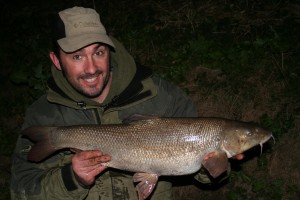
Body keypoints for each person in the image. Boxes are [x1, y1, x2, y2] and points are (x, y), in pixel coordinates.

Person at [10, 6, 242, 200]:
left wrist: (211, 164)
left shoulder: (164, 96)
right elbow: (21, 190)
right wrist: (73, 179)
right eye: (77, 57)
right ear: (57, 60)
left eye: (98, 52)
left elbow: (206, 174)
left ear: (109, 50)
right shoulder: (44, 114)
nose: (91, 68)